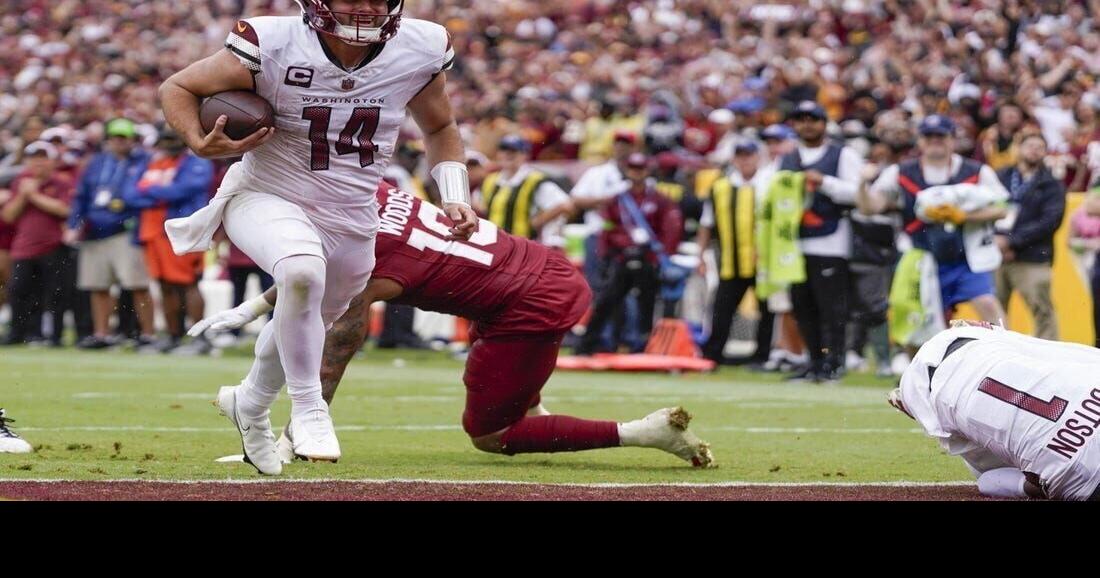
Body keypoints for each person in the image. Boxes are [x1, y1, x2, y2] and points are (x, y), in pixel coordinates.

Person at [158, 0, 478, 473]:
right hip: (266, 193)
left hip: (352, 211)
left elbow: (439, 125)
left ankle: (249, 401)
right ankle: (310, 409)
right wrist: (196, 137)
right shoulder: (272, 41)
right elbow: (178, 87)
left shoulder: (421, 46)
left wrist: (454, 193)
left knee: (309, 312)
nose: (367, 8)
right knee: (301, 271)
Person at [193, 184, 714, 468]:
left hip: (527, 302)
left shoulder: (363, 258)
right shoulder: (363, 191)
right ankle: (535, 410)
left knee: (490, 435)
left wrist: (294, 435)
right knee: (512, 400)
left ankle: (646, 434)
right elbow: (314, 268)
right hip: (534, 270)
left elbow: (335, 344)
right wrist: (258, 305)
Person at [890, 321, 1100, 501]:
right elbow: (990, 481)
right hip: (933, 391)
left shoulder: (1073, 480)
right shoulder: (1073, 480)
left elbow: (1067, 353)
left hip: (968, 346)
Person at [575, 153, 682, 355]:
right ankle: (588, 344)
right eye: (633, 168)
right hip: (621, 258)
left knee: (647, 304)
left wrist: (662, 255)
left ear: (647, 171)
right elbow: (607, 226)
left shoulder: (658, 199)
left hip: (647, 259)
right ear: (627, 171)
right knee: (607, 301)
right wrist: (608, 252)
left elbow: (670, 229)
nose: (637, 173)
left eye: (640, 168)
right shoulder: (618, 199)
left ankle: (643, 347)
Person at [124, 125, 215, 353]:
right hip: (152, 233)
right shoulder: (152, 163)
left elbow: (182, 190)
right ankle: (173, 336)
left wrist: (151, 192)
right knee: (164, 285)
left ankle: (199, 338)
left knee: (189, 283)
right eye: (165, 139)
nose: (169, 143)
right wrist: (161, 193)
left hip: (182, 231)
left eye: (174, 138)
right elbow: (129, 195)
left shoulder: (197, 163)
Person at [994, 132, 1065, 341]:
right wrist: (998, 241)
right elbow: (986, 207)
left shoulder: (1051, 184)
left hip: (1033, 257)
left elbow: (1050, 221)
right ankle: (994, 358)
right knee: (994, 313)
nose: (1034, 150)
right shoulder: (1000, 177)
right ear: (1019, 148)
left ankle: (1049, 359)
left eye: (1040, 147)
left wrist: (1011, 242)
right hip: (996, 255)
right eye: (1030, 145)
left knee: (1042, 311)